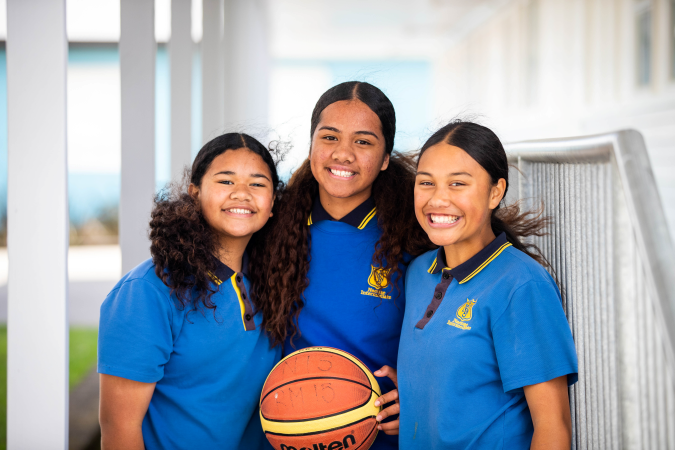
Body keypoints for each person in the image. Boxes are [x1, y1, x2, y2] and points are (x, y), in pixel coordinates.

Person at [252, 81, 434, 449]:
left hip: (383, 437)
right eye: (330, 137)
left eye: (363, 142)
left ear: (385, 158)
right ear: (311, 146)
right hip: (289, 435)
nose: (344, 154)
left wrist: (420, 390)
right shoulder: (269, 228)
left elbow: (450, 342)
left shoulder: (415, 238)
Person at [397, 121, 578, 449]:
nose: (438, 199)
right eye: (426, 183)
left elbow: (554, 429)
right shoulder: (419, 272)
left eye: (457, 184)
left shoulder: (522, 286)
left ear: (495, 191)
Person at [98, 133, 283, 449]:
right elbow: (119, 431)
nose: (242, 193)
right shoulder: (147, 292)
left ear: (272, 204)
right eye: (225, 181)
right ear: (194, 194)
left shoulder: (274, 280)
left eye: (257, 183)